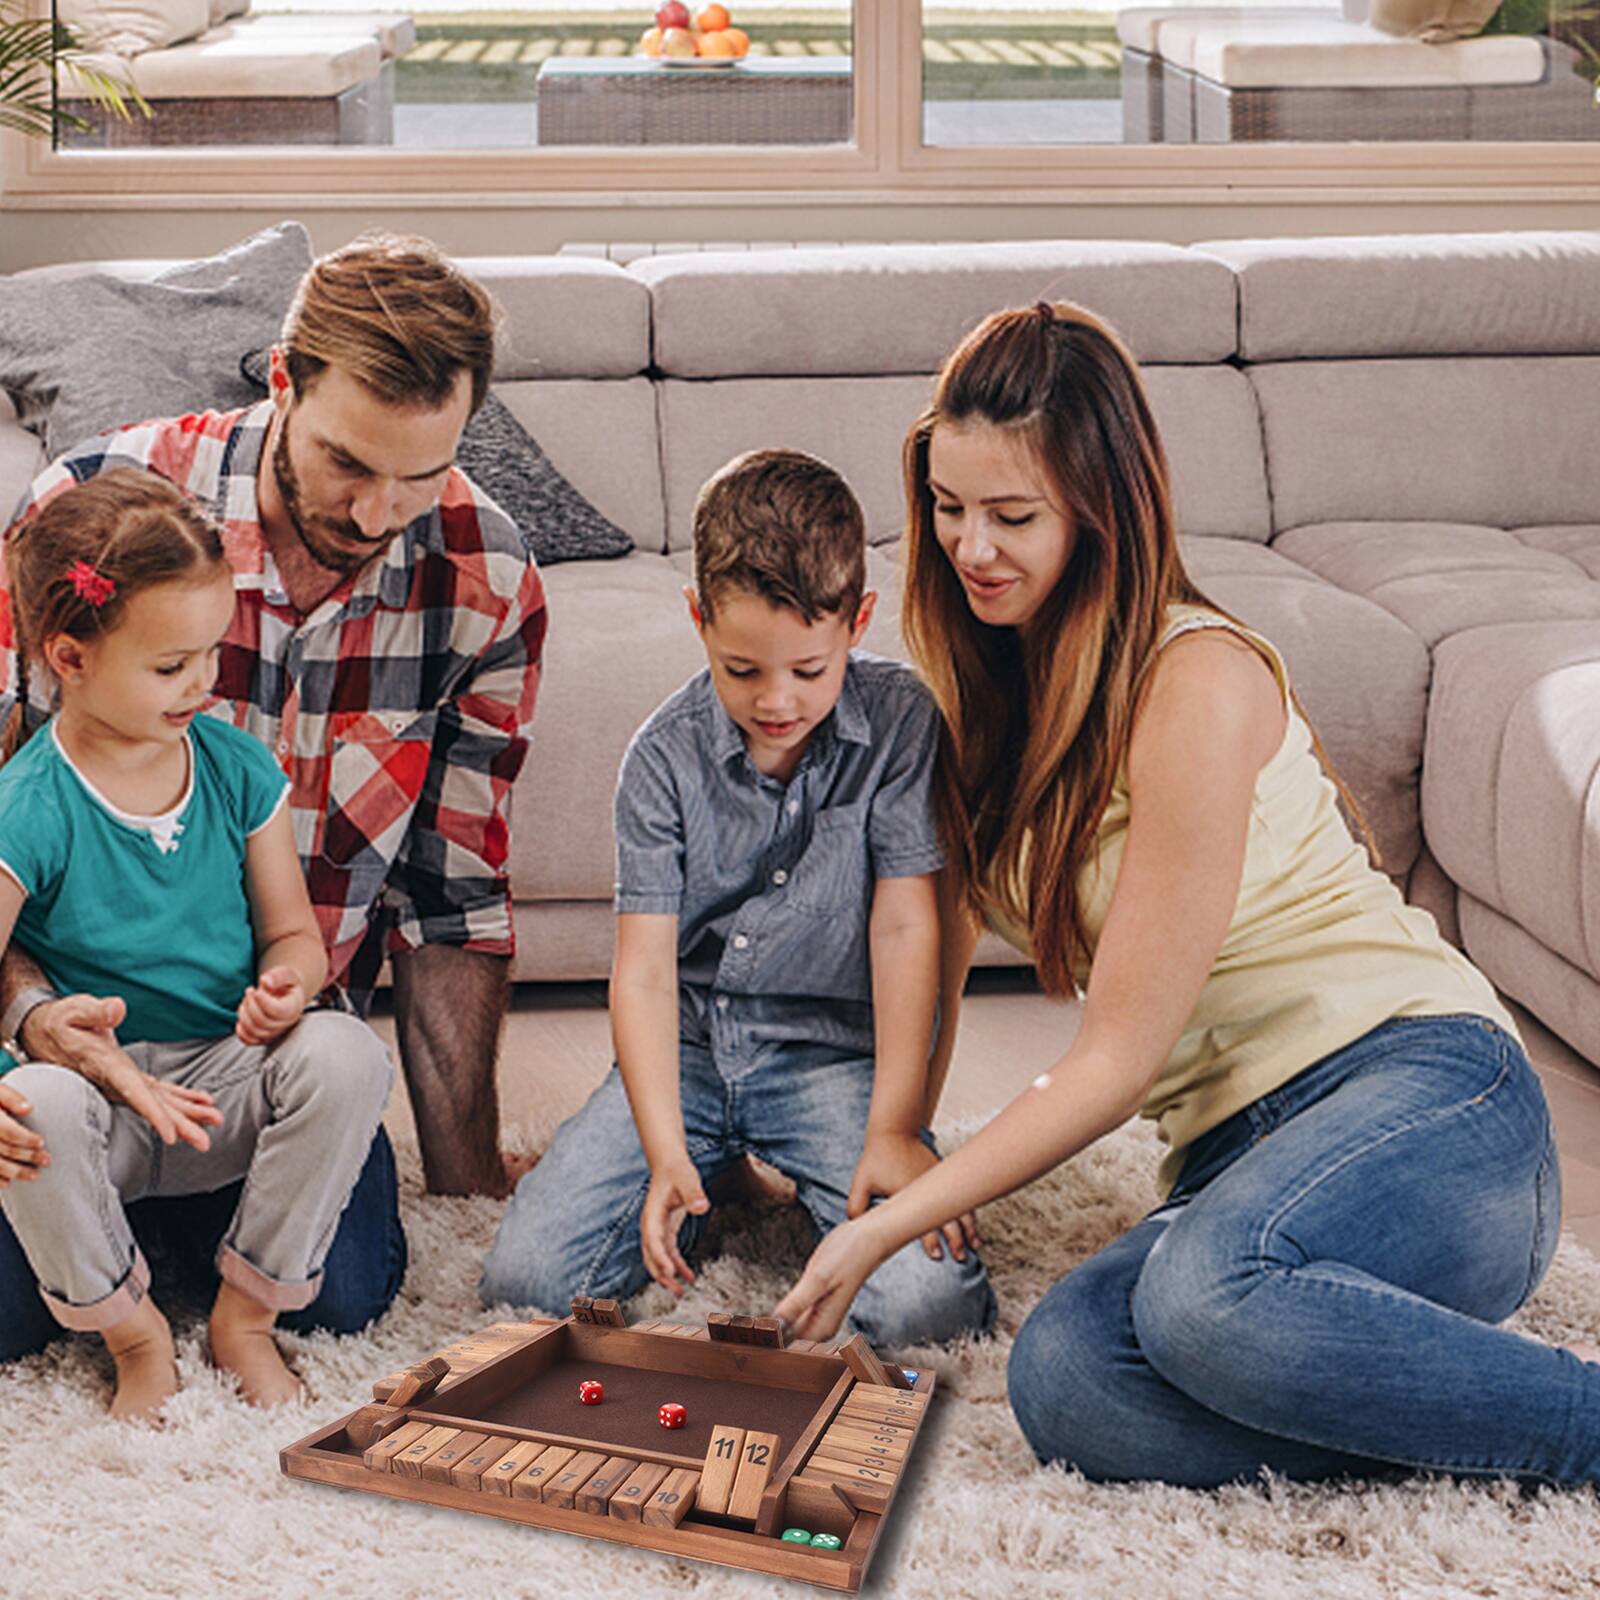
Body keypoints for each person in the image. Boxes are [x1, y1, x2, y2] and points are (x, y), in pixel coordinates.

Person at [773, 302, 1597, 1487]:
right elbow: (939, 920)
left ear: (1102, 512)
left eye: (1013, 516)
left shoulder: (1192, 674)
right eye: (948, 509)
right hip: (1238, 1163)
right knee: (1066, 1377)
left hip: (1430, 1102)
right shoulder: (981, 692)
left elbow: (1113, 1062)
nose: (971, 546)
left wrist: (883, 1223)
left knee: (1204, 1296)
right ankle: (1426, 1402)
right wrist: (893, 1126)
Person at [0, 231, 546, 1206]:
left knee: (341, 1297)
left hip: (270, 1077)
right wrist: (29, 1014)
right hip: (70, 1060)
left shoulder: (487, 581)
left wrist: (467, 1192)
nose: (377, 514)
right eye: (347, 462)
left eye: (419, 475)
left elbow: (452, 898)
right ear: (284, 379)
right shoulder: (84, 513)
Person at [481, 448, 994, 1349]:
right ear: (699, 618)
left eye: (808, 669)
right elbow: (641, 976)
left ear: (857, 622)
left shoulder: (905, 724)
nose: (777, 701)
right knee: (524, 1282)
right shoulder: (661, 758)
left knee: (929, 1307)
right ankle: (714, 1173)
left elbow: (910, 924)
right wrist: (667, 1151)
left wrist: (897, 1128)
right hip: (688, 1052)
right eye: (742, 669)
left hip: (827, 1060)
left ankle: (791, 1173)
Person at [0, 471, 394, 1420]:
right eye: (171, 665)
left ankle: (244, 1315)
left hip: (224, 1076)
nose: (203, 684)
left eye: (210, 655)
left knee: (346, 1053)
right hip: (100, 1096)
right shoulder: (31, 802)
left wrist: (288, 984)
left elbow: (292, 931)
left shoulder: (234, 767)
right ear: (73, 658)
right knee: (34, 1101)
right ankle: (136, 1340)